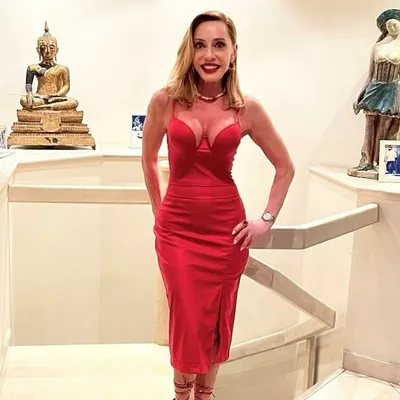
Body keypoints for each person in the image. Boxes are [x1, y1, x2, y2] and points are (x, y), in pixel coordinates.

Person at [141, 10, 295, 400]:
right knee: (187, 318)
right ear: (189, 51)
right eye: (200, 45)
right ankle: (181, 394)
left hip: (226, 233)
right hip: (177, 232)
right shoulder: (165, 101)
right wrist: (159, 212)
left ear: (233, 52)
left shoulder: (247, 108)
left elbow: (285, 167)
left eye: (219, 45)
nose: (209, 55)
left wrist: (265, 220)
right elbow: (148, 158)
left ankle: (205, 394)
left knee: (216, 319)